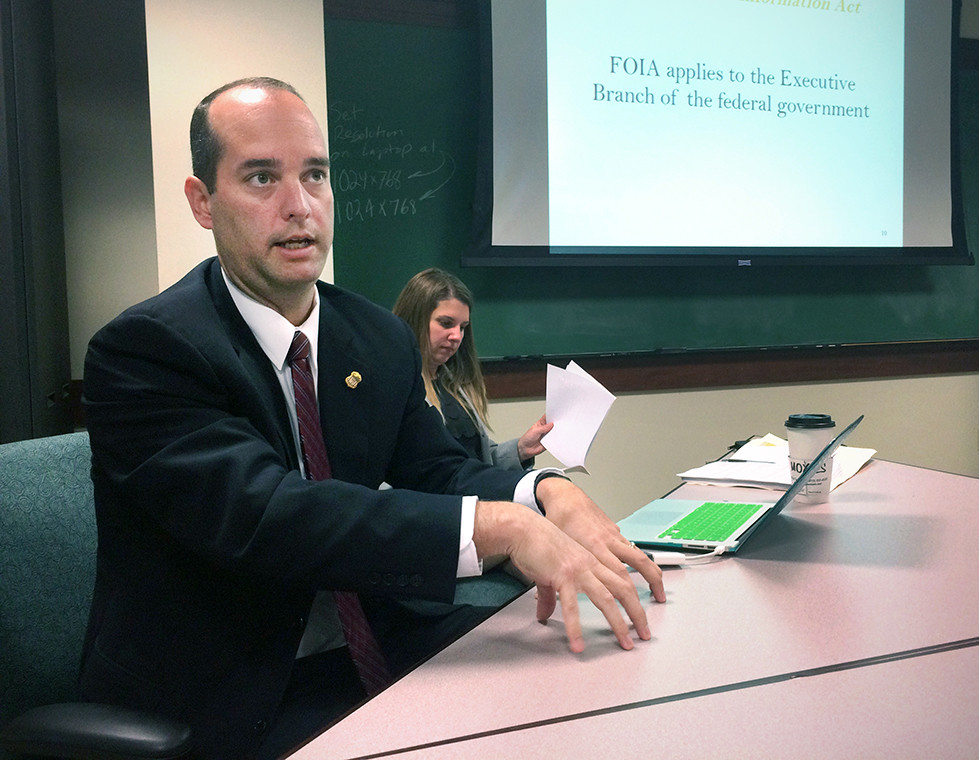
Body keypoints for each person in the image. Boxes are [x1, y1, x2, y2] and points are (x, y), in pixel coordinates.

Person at [79, 76, 664, 759]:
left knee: (589, 704)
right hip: (233, 687)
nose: (299, 207)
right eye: (262, 178)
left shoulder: (375, 336)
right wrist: (499, 526)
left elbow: (435, 468)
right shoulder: (148, 350)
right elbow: (270, 516)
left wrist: (544, 492)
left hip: (376, 644)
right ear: (202, 202)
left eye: (316, 176)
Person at [393, 267, 551, 471]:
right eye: (446, 323)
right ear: (415, 319)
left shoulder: (454, 384)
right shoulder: (395, 388)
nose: (457, 336)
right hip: (436, 503)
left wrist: (520, 449)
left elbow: (478, 463)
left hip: (473, 500)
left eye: (462, 327)